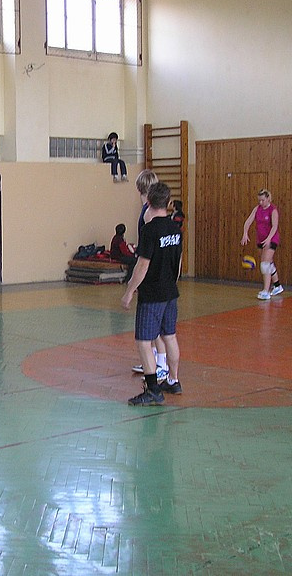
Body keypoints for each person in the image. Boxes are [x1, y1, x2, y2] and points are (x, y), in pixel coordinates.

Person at [122, 182, 183, 406]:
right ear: (168, 203)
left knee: (144, 341)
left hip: (152, 295)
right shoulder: (176, 229)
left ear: (148, 202)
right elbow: (178, 264)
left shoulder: (149, 230)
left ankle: (153, 390)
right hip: (170, 292)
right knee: (169, 336)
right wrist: (171, 283)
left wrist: (129, 291)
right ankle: (173, 380)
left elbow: (142, 265)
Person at [131, 169, 170, 383]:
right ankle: (154, 360)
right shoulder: (147, 209)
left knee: (153, 323)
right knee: (153, 324)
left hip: (152, 273)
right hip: (154, 271)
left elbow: (150, 244)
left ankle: (161, 364)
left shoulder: (148, 213)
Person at [241, 188, 284, 300]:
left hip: (271, 239)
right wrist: (245, 233)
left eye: (263, 200)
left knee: (265, 264)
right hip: (260, 240)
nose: (261, 202)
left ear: (268, 199)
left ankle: (266, 291)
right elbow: (248, 221)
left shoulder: (273, 210)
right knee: (269, 262)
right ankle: (277, 286)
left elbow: (274, 226)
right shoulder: (257, 209)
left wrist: (269, 238)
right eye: (259, 200)